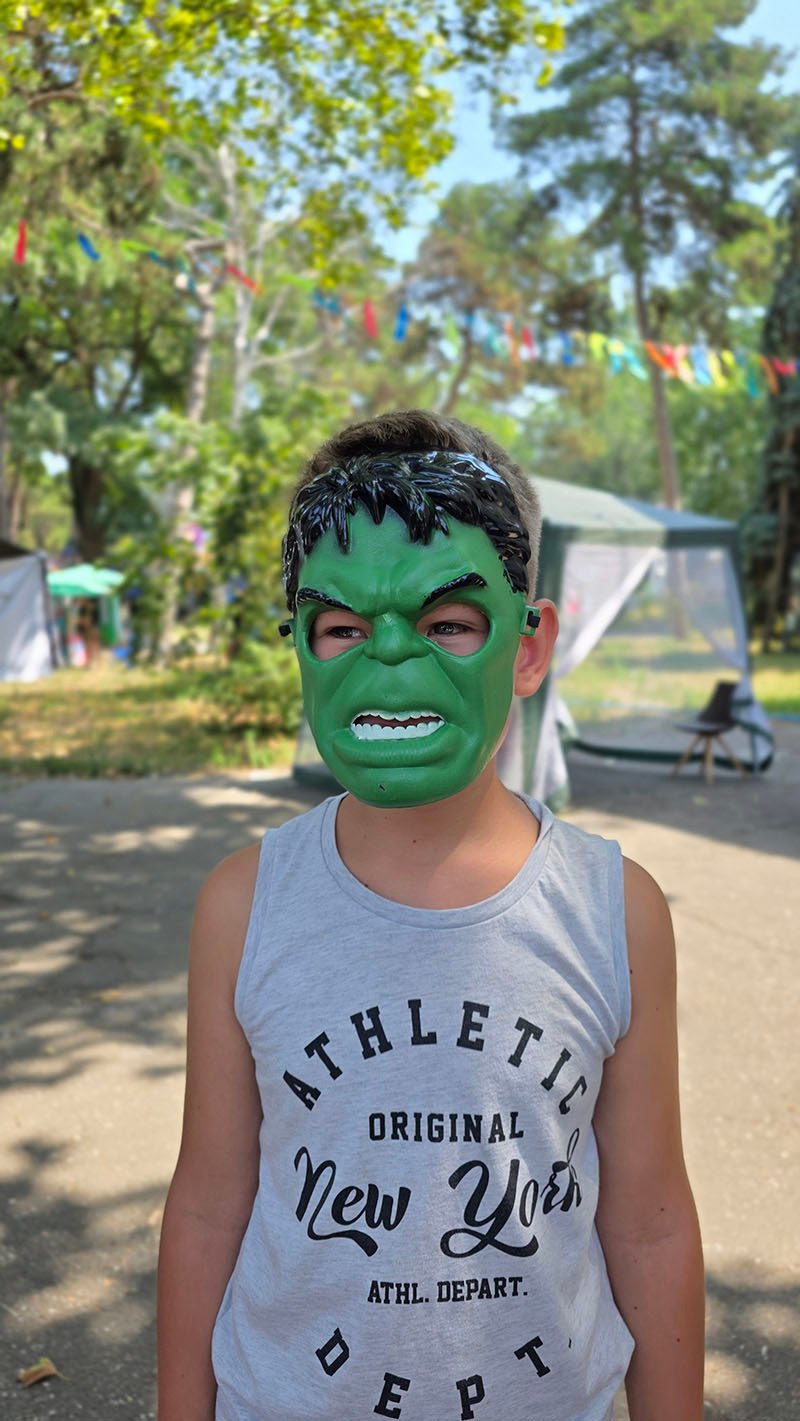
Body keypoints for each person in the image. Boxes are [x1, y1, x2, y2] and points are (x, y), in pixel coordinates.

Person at [157, 410, 704, 1421]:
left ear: (529, 646)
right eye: (342, 626)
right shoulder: (243, 904)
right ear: (301, 644)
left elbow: (650, 1219)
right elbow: (206, 1203)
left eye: (449, 621)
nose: (393, 659)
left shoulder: (612, 909)